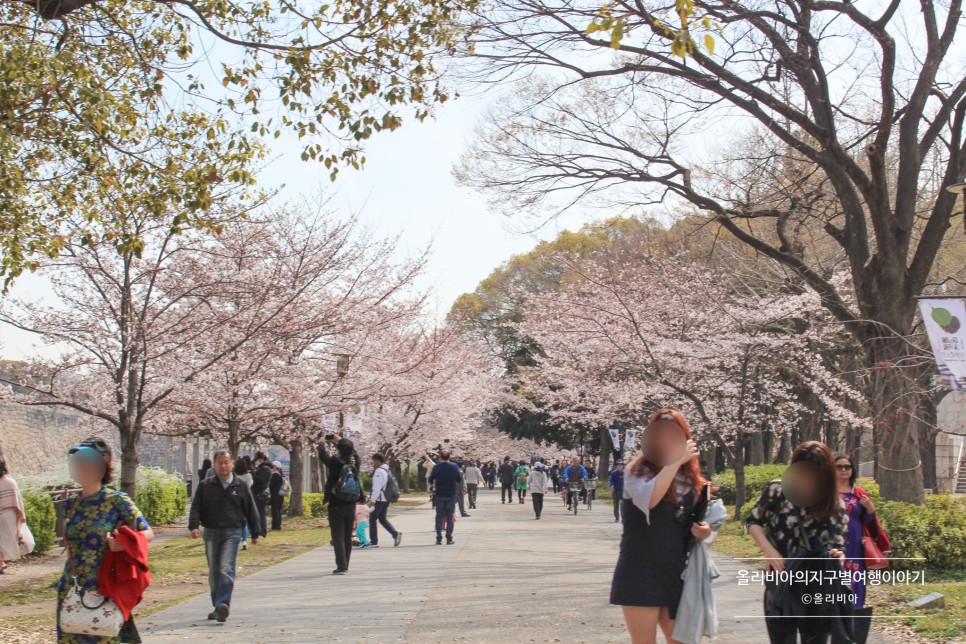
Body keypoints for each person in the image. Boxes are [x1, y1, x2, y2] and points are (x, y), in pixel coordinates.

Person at [610, 410, 712, 644]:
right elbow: (651, 500)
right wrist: (674, 463)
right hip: (640, 571)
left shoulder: (692, 478)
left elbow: (700, 521)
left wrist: (705, 532)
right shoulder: (637, 471)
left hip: (677, 572)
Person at [746, 442, 849, 644]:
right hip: (781, 581)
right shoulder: (778, 491)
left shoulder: (835, 505)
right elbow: (753, 521)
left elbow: (839, 545)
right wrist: (768, 550)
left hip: (818, 587)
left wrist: (839, 556)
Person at [58, 437, 155, 641]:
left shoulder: (117, 500)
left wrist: (122, 544)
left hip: (105, 585)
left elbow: (147, 533)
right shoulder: (70, 505)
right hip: (72, 587)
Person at [189, 450, 261, 623]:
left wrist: (255, 532)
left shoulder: (240, 485)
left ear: (233, 463)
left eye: (226, 462)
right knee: (214, 572)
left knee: (225, 568)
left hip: (232, 532)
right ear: (214, 464)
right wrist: (194, 526)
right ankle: (218, 607)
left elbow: (250, 509)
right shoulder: (206, 485)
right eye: (220, 462)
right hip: (211, 531)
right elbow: (196, 507)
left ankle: (223, 603)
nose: (223, 465)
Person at [835, 453, 889, 644]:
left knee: (855, 589)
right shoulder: (826, 493)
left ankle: (853, 634)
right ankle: (837, 631)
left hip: (856, 548)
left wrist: (871, 510)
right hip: (834, 549)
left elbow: (867, 522)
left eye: (847, 467)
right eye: (839, 467)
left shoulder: (859, 493)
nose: (843, 470)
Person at [317, 435, 361, 574]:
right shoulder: (355, 461)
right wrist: (340, 439)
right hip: (351, 503)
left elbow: (323, 457)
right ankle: (345, 563)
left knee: (337, 535)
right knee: (347, 535)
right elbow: (352, 451)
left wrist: (321, 444)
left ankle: (341, 566)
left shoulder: (336, 462)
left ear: (338, 451)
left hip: (336, 503)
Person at [368, 453, 403, 548]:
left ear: (378, 461)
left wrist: (373, 500)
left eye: (374, 460)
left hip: (380, 499)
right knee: (382, 519)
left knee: (372, 519)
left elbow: (377, 487)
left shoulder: (379, 471)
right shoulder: (387, 469)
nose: (373, 463)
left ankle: (373, 541)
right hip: (386, 498)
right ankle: (395, 534)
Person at [428, 450, 461, 545]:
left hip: (439, 494)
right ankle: (449, 538)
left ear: (440, 457)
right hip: (451, 493)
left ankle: (439, 538)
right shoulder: (454, 466)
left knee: (439, 516)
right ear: (449, 457)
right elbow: (459, 479)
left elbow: (431, 479)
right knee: (450, 516)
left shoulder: (436, 467)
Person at [0, 458, 27, 574]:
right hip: (9, 514)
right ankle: (1, 563)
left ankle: (1, 563)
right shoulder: (10, 482)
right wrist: (20, 515)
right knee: (6, 540)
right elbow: (17, 502)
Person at [232, 458, 254, 550]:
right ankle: (245, 540)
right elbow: (251, 484)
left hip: (235, 500)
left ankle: (236, 539)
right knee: (245, 521)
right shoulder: (248, 476)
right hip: (246, 499)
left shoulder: (234, 476)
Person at [250, 452, 273, 540]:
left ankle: (263, 531)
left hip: (260, 493)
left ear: (262, 459)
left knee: (261, 512)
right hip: (260, 492)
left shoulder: (265, 469)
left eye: (258, 459)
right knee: (260, 512)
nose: (257, 461)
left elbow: (259, 480)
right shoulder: (265, 468)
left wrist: (253, 474)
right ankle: (261, 530)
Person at [269, 461, 284, 532]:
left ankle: (275, 527)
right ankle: (278, 526)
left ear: (275, 466)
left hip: (275, 496)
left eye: (272, 466)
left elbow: (271, 486)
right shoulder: (280, 475)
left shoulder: (275, 476)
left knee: (275, 511)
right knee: (278, 511)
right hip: (280, 496)